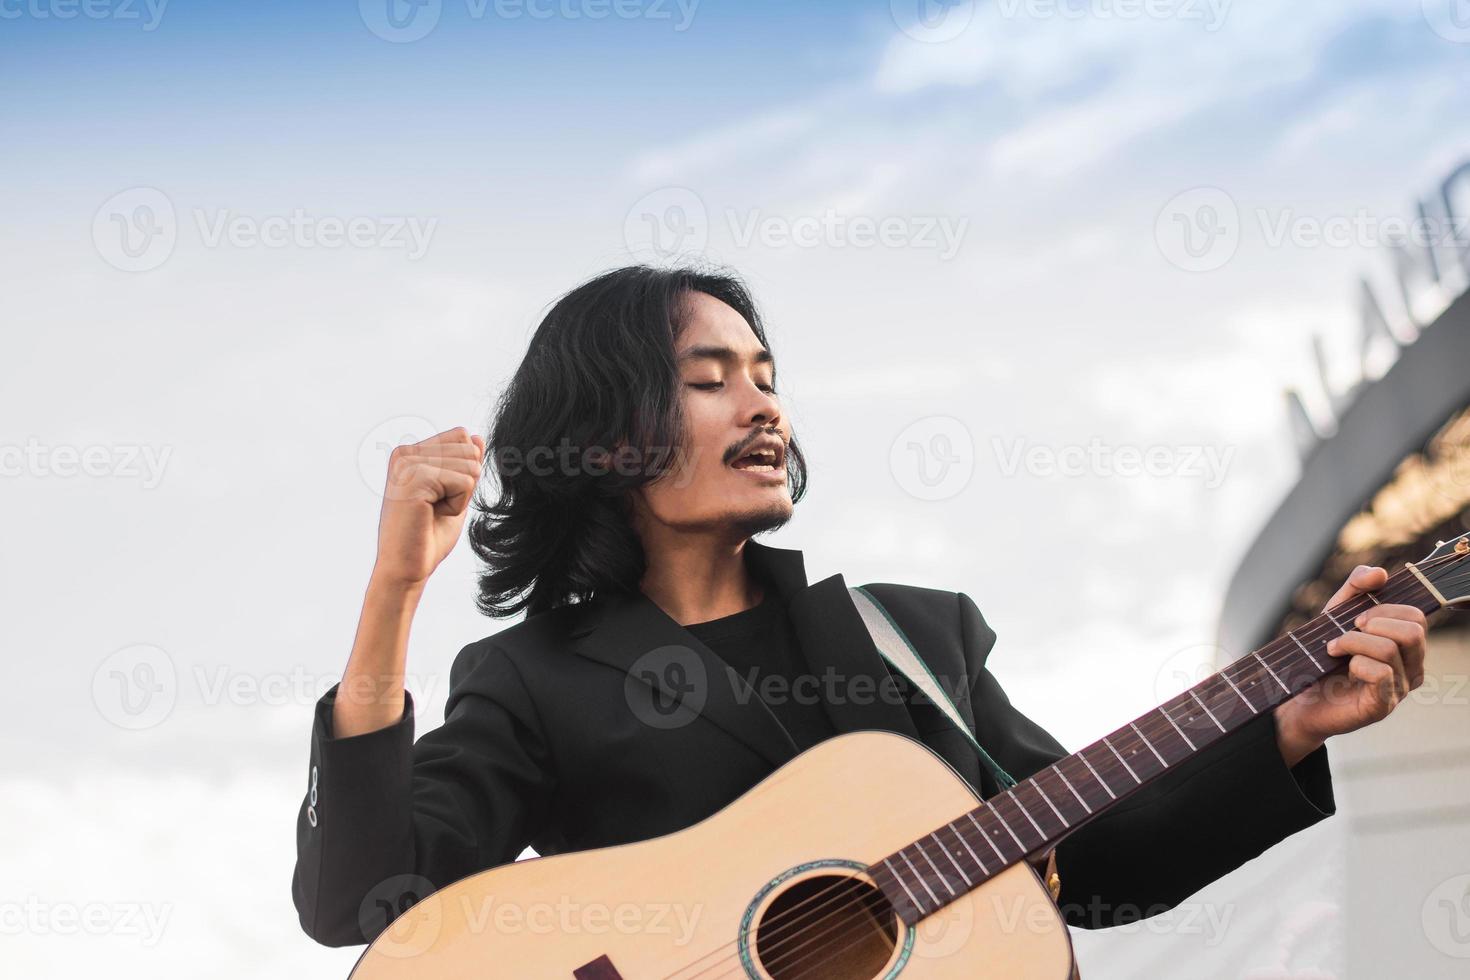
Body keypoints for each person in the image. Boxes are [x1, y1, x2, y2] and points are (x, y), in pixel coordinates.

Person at [291, 265, 1428, 951]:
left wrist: (1286, 726)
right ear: (604, 431)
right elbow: (366, 898)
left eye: (769, 375)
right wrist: (394, 593)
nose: (764, 406)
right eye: (711, 378)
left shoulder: (916, 637)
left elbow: (1100, 862)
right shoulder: (534, 677)